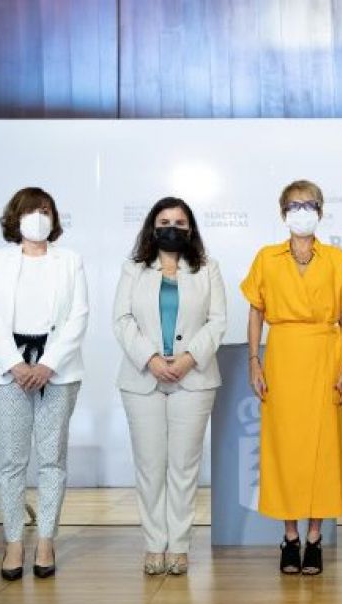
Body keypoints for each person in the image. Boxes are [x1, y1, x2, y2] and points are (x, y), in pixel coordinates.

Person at [240, 179, 342, 576]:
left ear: (321, 212)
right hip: (283, 357)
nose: (302, 211)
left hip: (326, 357)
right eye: (294, 205)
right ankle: (290, 537)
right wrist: (254, 362)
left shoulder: (336, 259)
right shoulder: (266, 258)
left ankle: (315, 538)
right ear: (283, 213)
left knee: (323, 449)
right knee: (285, 449)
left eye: (309, 205)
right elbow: (256, 312)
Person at [0, 186, 88, 580]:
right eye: (29, 211)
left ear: (54, 218)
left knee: (52, 458)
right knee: (12, 460)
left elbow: (78, 316)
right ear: (15, 218)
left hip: (58, 370)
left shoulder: (70, 261)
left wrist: (48, 364)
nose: (37, 217)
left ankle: (45, 540)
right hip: (9, 371)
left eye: (45, 210)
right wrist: (14, 363)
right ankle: (12, 542)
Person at [113, 197, 226, 576]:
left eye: (179, 222)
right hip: (142, 378)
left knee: (183, 466)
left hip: (194, 379)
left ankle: (179, 546)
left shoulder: (208, 269)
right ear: (152, 226)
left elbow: (217, 321)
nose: (172, 228)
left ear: (190, 229)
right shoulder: (133, 269)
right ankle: (153, 544)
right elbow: (122, 320)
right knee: (150, 466)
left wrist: (188, 359)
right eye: (164, 222)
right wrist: (152, 359)